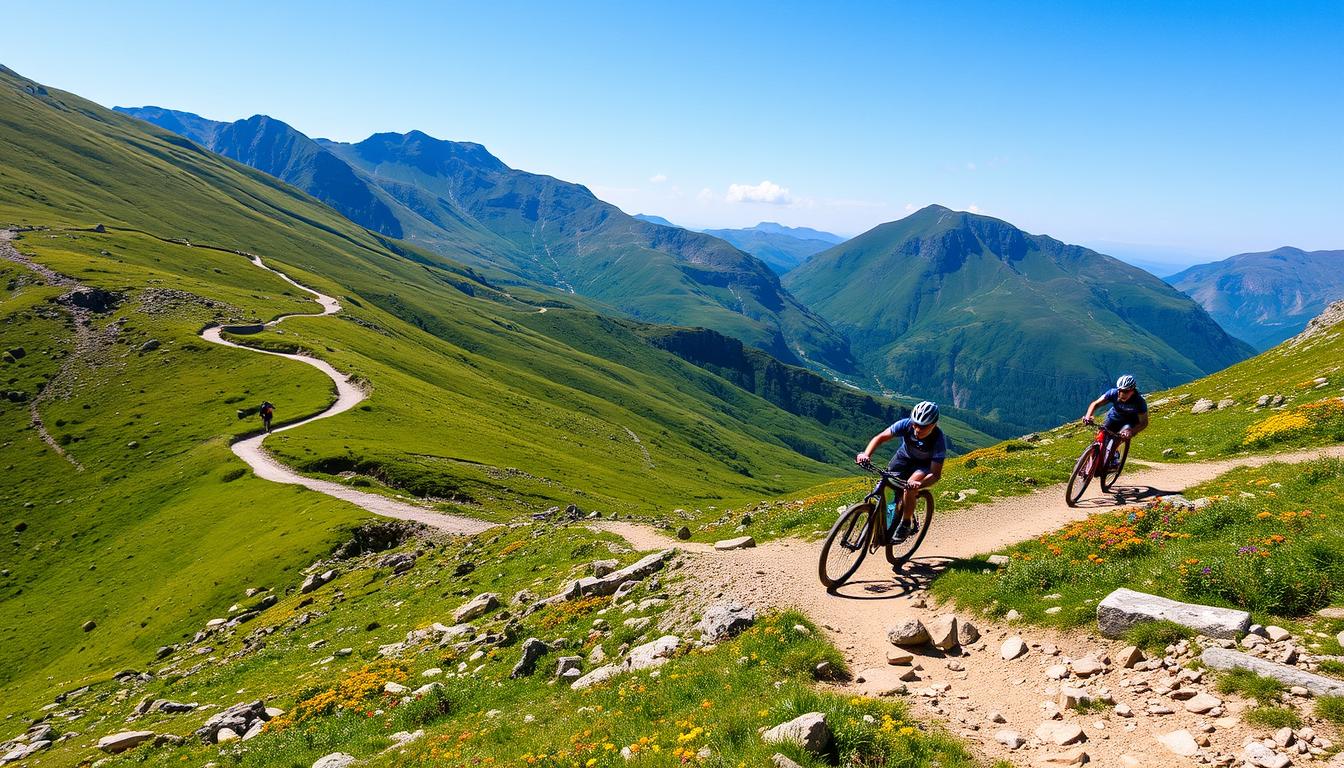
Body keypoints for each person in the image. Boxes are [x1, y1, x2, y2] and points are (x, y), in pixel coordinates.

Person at [855, 401, 946, 541]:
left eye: (923, 426)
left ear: (934, 424)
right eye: (915, 424)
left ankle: (906, 523)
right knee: (884, 483)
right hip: (903, 458)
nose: (917, 429)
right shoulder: (906, 424)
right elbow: (880, 437)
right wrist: (866, 454)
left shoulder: (938, 440)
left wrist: (918, 485)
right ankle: (887, 518)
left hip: (924, 465)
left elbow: (935, 474)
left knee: (909, 486)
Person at [1081, 374, 1148, 465]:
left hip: (1129, 423)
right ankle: (1091, 458)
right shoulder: (1113, 393)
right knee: (1101, 437)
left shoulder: (1139, 402)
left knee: (1120, 437)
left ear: (1133, 390)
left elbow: (1144, 423)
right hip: (1114, 418)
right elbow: (1095, 404)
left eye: (1126, 391)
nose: (1122, 394)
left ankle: (1114, 455)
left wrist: (1132, 431)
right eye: (1120, 390)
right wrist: (1088, 416)